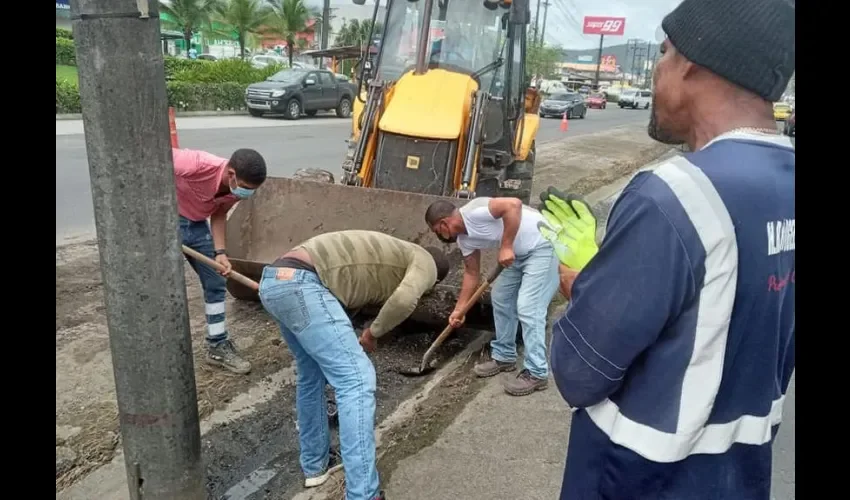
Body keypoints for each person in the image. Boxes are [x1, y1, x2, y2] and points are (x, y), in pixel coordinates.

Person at [536, 0, 795, 497]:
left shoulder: (675, 195)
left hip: (641, 478)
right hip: (739, 476)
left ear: (692, 65)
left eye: (663, 52)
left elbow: (579, 372)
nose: (657, 70)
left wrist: (583, 281)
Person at [257, 230, 450, 500]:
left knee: (311, 375)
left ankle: (316, 464)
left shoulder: (392, 251)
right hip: (305, 284)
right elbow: (405, 299)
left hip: (276, 280)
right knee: (357, 381)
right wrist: (373, 334)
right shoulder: (427, 262)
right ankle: (363, 494)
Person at [425, 197, 559, 396]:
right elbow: (471, 274)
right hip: (518, 254)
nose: (441, 237)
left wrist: (505, 246)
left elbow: (513, 205)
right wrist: (460, 310)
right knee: (501, 297)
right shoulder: (465, 239)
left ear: (444, 223)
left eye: (438, 232)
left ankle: (537, 372)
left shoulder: (475, 212)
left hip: (543, 245)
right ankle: (504, 355)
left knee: (529, 307)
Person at [174, 147, 267, 375]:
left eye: (252, 191)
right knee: (166, 289)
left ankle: (217, 345)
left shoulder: (235, 189)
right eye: (246, 189)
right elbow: (149, 166)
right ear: (231, 173)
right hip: (167, 219)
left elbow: (218, 214)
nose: (247, 194)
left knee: (216, 281)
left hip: (195, 227)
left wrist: (220, 252)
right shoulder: (194, 163)